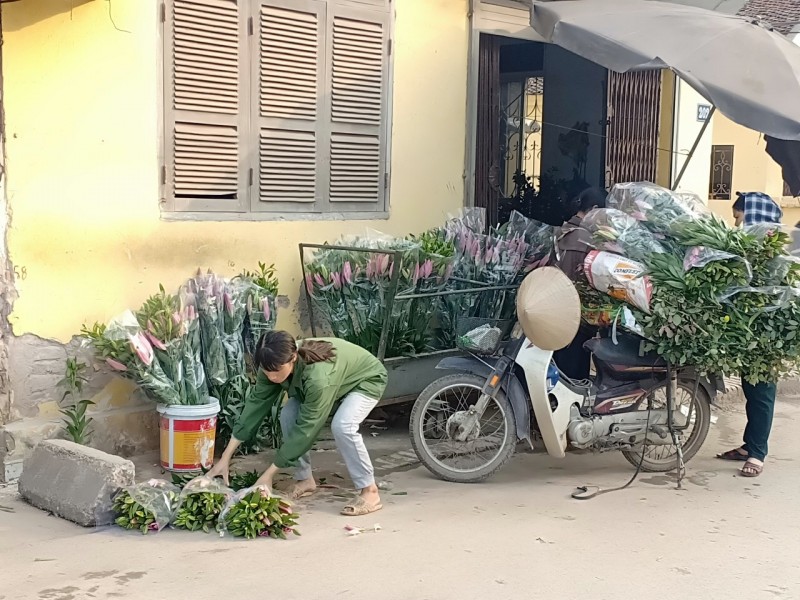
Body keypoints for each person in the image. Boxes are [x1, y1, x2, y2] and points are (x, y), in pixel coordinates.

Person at [207, 331, 388, 515]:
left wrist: (268, 475)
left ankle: (370, 491)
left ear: (293, 357)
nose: (272, 377)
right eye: (267, 371)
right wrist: (225, 458)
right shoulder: (272, 363)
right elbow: (255, 407)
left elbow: (306, 431)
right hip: (329, 382)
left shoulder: (318, 379)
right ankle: (305, 480)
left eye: (276, 371)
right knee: (288, 415)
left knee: (343, 426)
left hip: (365, 381)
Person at [717, 191, 782, 477]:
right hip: (747, 332)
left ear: (754, 216)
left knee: (762, 393)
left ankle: (757, 453)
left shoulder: (777, 253)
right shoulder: (750, 251)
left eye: (739, 218)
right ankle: (749, 445)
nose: (736, 225)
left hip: (768, 335)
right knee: (750, 389)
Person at [552, 186, 607, 380]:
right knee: (573, 370)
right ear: (593, 209)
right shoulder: (583, 239)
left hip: (555, 312)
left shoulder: (562, 231)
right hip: (575, 316)